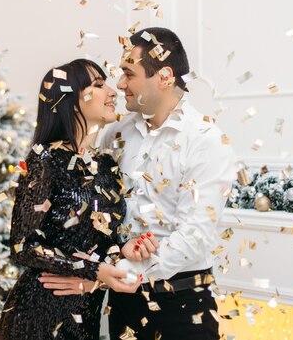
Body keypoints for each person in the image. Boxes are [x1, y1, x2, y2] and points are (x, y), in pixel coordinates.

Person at [40, 28, 237, 340]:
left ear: (164, 76)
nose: (119, 85)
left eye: (128, 74)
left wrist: (110, 276)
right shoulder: (115, 134)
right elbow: (97, 214)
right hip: (121, 304)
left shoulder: (205, 141)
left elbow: (194, 237)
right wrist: (100, 269)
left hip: (183, 306)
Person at [0, 59, 142, 340]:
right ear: (71, 101)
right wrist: (94, 270)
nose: (112, 91)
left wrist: (122, 252)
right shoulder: (44, 161)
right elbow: (23, 245)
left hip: (85, 318)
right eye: (98, 85)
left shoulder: (106, 166)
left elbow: (100, 243)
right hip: (38, 315)